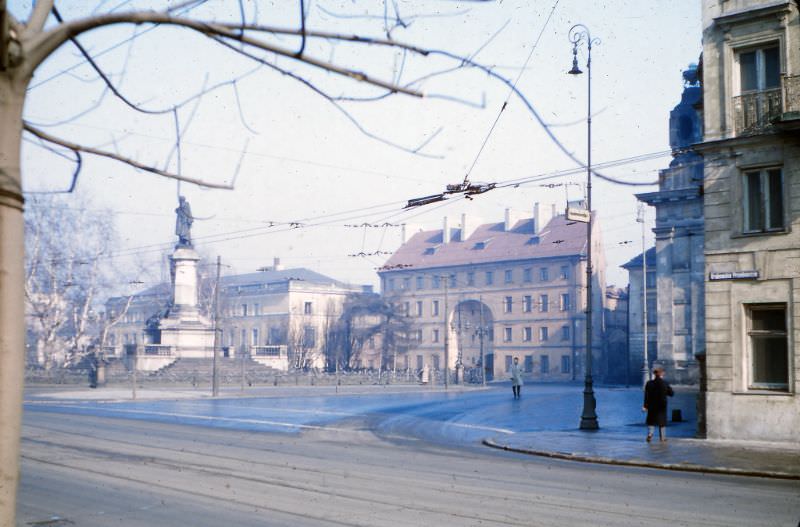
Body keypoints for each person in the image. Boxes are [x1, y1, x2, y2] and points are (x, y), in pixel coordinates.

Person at [643, 366, 674, 442]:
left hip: (651, 405)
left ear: (654, 374)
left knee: (651, 421)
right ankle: (662, 438)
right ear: (661, 374)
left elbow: (646, 396)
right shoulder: (664, 383)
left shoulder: (649, 383)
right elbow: (671, 393)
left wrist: (645, 406)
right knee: (662, 422)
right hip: (661, 405)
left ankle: (650, 434)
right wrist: (666, 392)